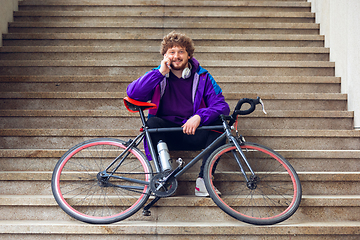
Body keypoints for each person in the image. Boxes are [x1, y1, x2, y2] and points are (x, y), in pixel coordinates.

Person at [127, 31, 230, 197]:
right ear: (165, 56)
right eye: (171, 52)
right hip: (165, 135)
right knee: (152, 124)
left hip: (193, 131)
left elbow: (221, 105)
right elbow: (133, 94)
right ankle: (164, 177)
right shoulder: (156, 75)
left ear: (188, 55)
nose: (176, 56)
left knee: (220, 126)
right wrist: (160, 72)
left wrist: (199, 117)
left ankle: (204, 180)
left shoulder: (203, 76)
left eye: (181, 51)